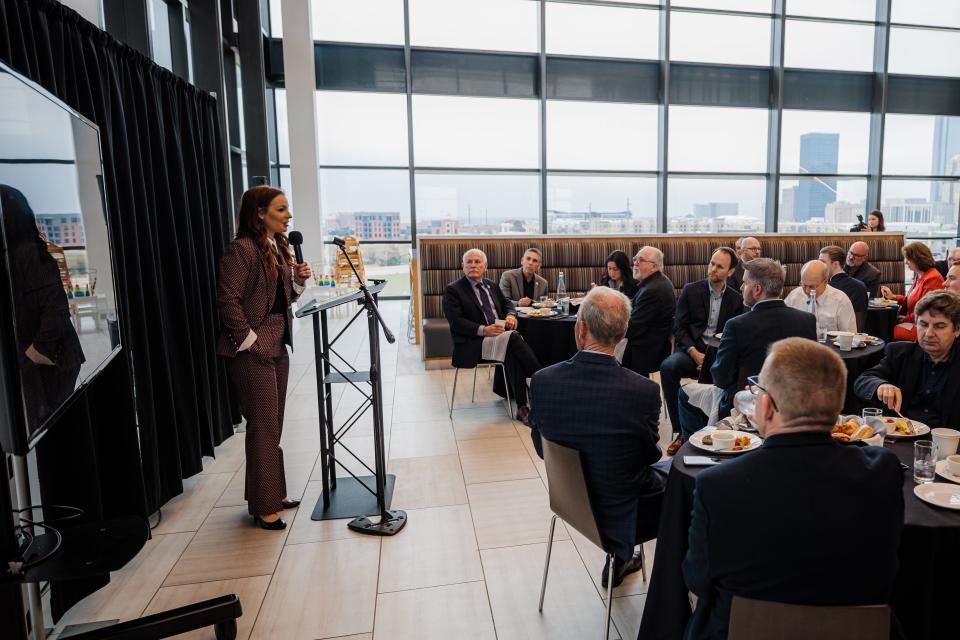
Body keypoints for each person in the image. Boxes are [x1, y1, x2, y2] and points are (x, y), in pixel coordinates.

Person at [683, 338, 904, 640]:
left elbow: (697, 579)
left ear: (767, 406)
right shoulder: (883, 472)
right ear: (838, 406)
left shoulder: (717, 485)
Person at [528, 287, 667, 588]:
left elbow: (542, 449)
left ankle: (623, 558)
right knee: (693, 482)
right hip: (628, 512)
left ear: (580, 330)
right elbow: (650, 456)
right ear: (622, 334)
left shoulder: (543, 381)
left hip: (569, 502)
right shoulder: (643, 390)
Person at [217, 185, 311, 530]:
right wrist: (249, 341)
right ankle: (263, 505)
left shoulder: (279, 247)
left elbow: (281, 299)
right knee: (263, 427)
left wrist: (297, 282)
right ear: (260, 213)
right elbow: (228, 301)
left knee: (274, 425)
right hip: (253, 348)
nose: (288, 216)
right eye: (281, 209)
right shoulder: (241, 250)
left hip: (278, 343)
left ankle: (274, 493)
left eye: (288, 210)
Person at [676, 258, 816, 439]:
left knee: (685, 393)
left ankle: (698, 449)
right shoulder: (807, 321)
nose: (741, 288)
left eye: (745, 283)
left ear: (757, 289)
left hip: (745, 404)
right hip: (795, 403)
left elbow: (721, 378)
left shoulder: (736, 325)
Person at [1, 185, 85, 432]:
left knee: (48, 436)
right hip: (41, 360)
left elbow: (56, 308)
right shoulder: (17, 254)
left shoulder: (29, 253)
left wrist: (33, 354)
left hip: (49, 361)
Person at [660, 248, 744, 455]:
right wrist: (693, 352)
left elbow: (733, 336)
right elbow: (678, 327)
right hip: (692, 351)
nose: (713, 269)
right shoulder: (691, 290)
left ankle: (712, 428)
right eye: (712, 264)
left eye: (719, 266)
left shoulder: (735, 299)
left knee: (729, 373)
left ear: (731, 272)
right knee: (668, 367)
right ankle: (681, 431)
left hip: (718, 356)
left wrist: (712, 358)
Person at [443, 248, 541, 423]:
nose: (473, 265)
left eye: (477, 262)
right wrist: (484, 329)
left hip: (499, 339)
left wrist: (511, 315)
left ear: (485, 266)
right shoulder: (453, 290)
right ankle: (541, 379)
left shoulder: (491, 285)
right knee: (513, 338)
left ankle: (522, 407)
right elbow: (456, 322)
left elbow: (508, 304)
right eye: (469, 262)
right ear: (463, 266)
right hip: (474, 343)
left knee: (511, 349)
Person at [854, 289, 960, 427]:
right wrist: (880, 385)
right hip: (900, 439)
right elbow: (862, 382)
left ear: (957, 329)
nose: (929, 333)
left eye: (939, 326)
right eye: (923, 324)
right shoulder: (900, 353)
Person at [622, 246, 676, 377]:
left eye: (641, 260)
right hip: (653, 344)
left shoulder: (652, 290)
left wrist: (611, 325)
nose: (635, 263)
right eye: (635, 259)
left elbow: (633, 328)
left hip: (645, 351)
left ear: (654, 266)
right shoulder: (656, 282)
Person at [881, 242, 944, 342]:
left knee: (885, 331)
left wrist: (903, 319)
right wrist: (893, 297)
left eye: (908, 259)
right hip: (912, 322)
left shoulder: (933, 278)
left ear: (918, 259)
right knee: (881, 326)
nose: (906, 262)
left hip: (922, 326)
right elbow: (911, 300)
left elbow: (926, 310)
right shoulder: (919, 275)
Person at [784, 260, 857, 334]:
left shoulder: (841, 301)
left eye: (812, 286)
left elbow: (850, 336)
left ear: (825, 282)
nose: (807, 290)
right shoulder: (794, 296)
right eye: (804, 285)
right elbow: (783, 324)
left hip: (829, 345)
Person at [819, 245, 868, 321]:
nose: (819, 266)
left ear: (835, 264)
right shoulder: (860, 286)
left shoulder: (826, 287)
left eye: (822, 262)